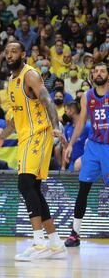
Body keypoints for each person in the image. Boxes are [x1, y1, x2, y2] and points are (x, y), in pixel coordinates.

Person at [0, 41, 67, 261]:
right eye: (7, 52)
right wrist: (0, 138)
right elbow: (14, 119)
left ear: (23, 54)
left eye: (14, 51)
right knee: (33, 188)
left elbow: (47, 99)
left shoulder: (30, 74)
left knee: (25, 184)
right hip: (25, 137)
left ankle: (38, 242)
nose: (10, 55)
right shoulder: (11, 82)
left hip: (40, 133)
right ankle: (55, 243)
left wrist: (56, 126)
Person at [64, 62, 109, 247]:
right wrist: (71, 144)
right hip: (93, 147)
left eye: (102, 71)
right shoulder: (87, 96)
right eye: (96, 71)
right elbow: (81, 122)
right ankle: (75, 234)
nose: (98, 74)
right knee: (83, 189)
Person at [61, 101, 91, 172]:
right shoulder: (67, 128)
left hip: (86, 164)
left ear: (72, 111)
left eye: (66, 111)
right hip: (72, 165)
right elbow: (65, 148)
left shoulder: (88, 127)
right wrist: (63, 167)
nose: (64, 114)